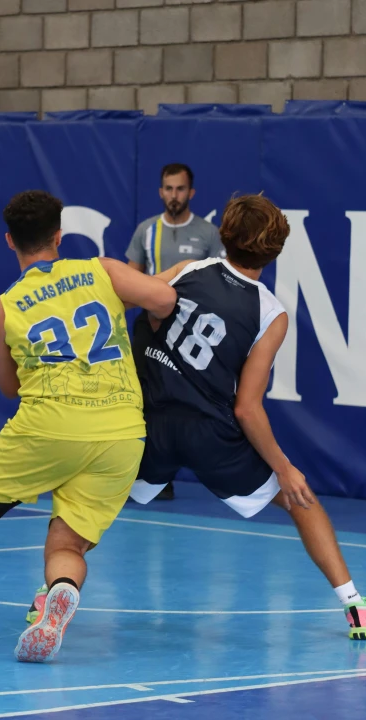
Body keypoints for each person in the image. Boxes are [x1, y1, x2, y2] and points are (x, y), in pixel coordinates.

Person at [0, 190, 177, 662]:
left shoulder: (0, 310)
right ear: (59, 235)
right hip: (120, 431)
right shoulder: (102, 270)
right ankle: (60, 593)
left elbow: (9, 387)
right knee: (68, 542)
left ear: (10, 241)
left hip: (47, 426)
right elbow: (165, 299)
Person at [129, 194, 366, 641]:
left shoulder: (189, 270)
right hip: (210, 434)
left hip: (149, 422)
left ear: (224, 234)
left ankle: (54, 588)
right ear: (274, 251)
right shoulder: (271, 313)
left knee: (88, 505)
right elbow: (247, 408)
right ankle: (356, 607)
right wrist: (284, 468)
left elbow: (147, 309)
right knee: (300, 499)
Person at [127, 162, 225, 500]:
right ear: (160, 192)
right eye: (168, 188)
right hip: (150, 325)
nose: (174, 195)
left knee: (179, 402)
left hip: (189, 331)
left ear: (191, 193)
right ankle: (146, 477)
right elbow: (130, 281)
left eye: (180, 189)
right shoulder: (145, 231)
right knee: (138, 397)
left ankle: (191, 472)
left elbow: (219, 285)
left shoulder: (210, 234)